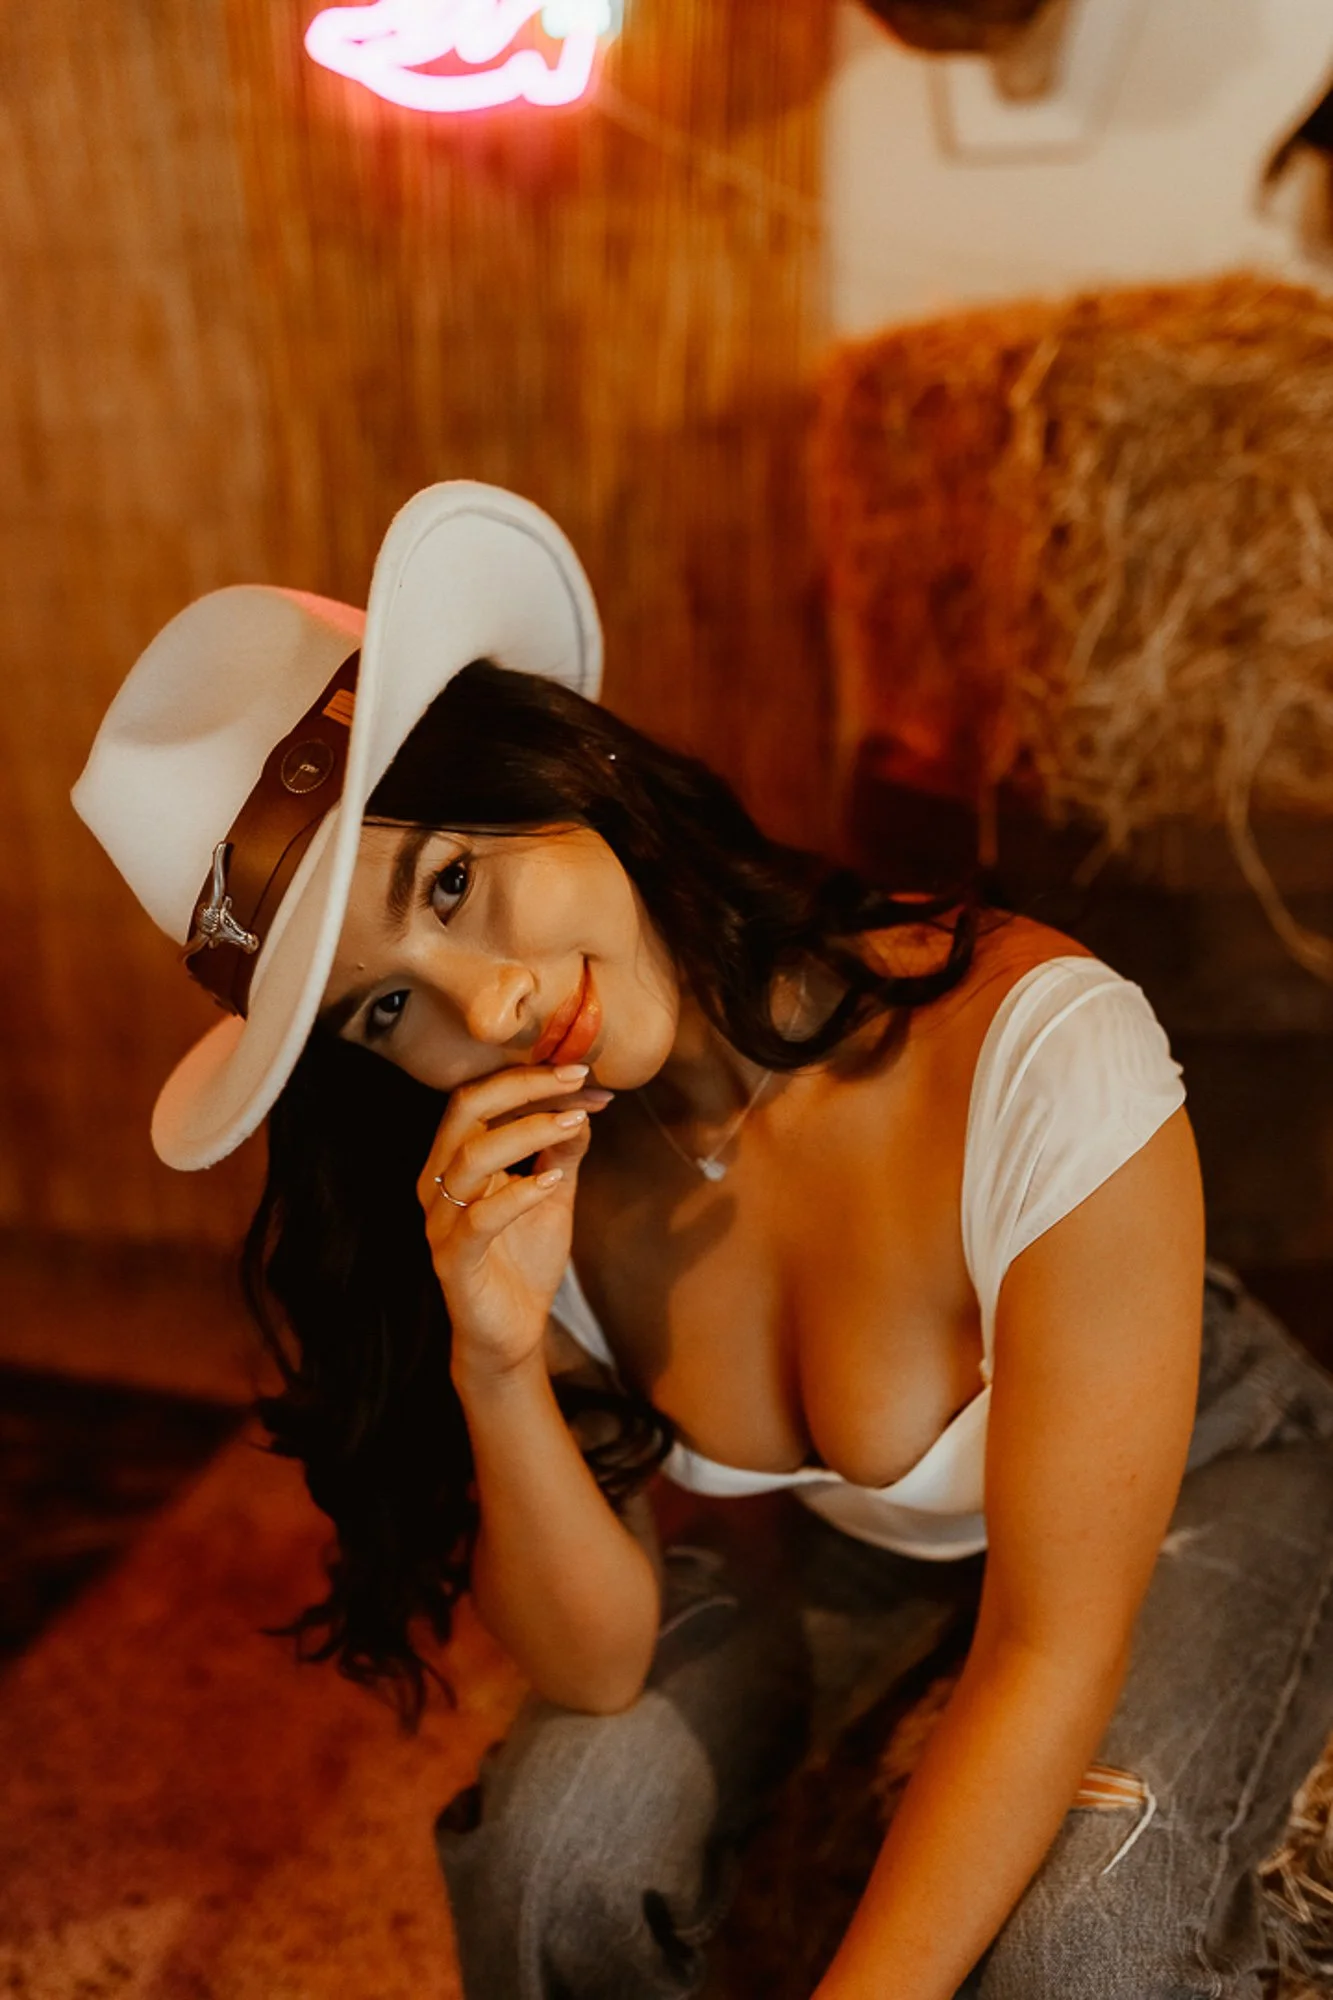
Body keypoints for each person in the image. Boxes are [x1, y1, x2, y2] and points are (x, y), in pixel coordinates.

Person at [74, 482, 1333, 1999]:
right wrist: (496, 1356)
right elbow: (597, 1666)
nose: (489, 1008)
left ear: (568, 767)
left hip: (1211, 1468)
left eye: (455, 884)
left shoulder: (1035, 1043)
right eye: (385, 1007)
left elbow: (1049, 1650)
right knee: (553, 1848)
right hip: (855, 1551)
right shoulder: (530, 1173)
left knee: (1089, 1949)